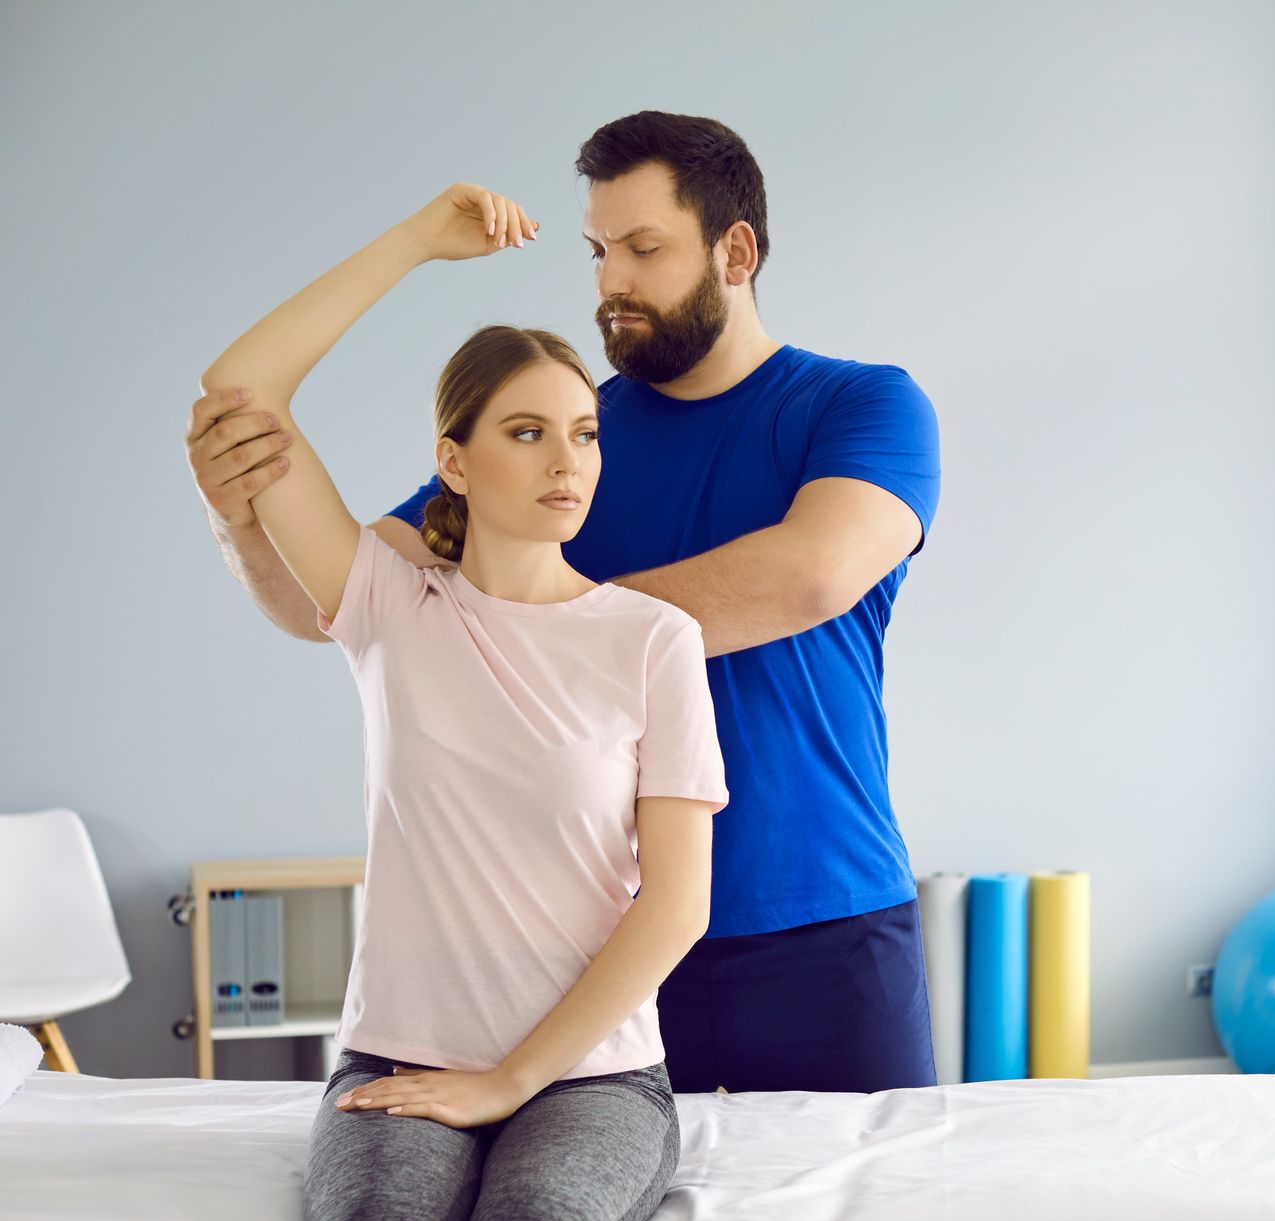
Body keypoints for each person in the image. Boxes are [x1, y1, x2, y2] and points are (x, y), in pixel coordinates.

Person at [186, 111, 944, 1094]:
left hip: (825, 923)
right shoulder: (558, 440)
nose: (610, 281)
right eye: (596, 251)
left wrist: (553, 621)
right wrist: (239, 518)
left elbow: (809, 575)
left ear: (737, 251)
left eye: (643, 248)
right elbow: (344, 603)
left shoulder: (862, 405)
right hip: (598, 948)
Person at [196, 180, 728, 1221]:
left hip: (593, 1075)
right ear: (455, 460)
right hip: (397, 1057)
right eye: (526, 433)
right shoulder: (388, 602)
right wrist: (415, 243)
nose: (565, 461)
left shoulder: (653, 638)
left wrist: (505, 1082)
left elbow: (676, 903)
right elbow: (240, 389)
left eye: (582, 433)